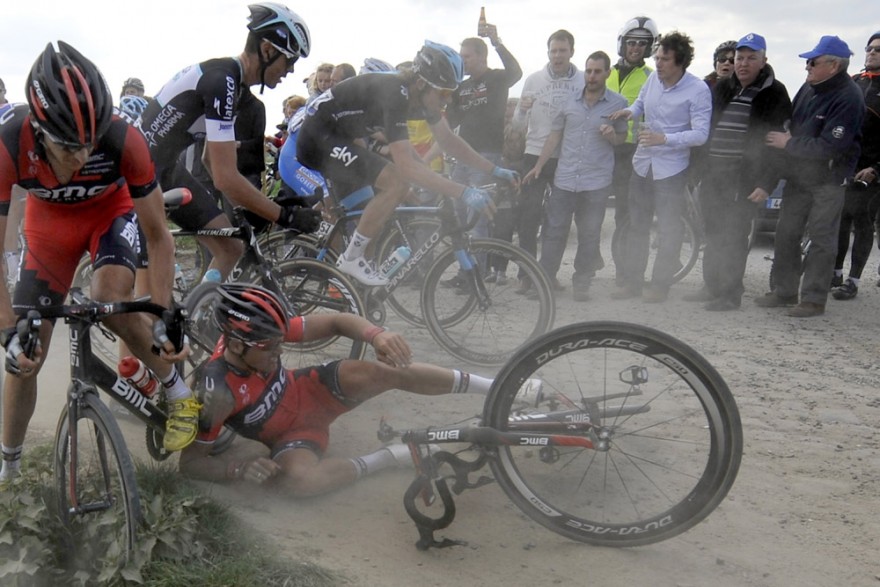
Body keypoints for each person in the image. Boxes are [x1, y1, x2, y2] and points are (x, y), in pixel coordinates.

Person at [0, 42, 195, 486]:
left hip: (111, 213)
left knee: (111, 297)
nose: (82, 158)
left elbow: (159, 236)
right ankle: (8, 470)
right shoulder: (8, 141)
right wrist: (7, 326)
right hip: (49, 230)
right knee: (25, 354)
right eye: (68, 147)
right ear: (38, 127)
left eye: (89, 145)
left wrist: (162, 312)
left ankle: (178, 392)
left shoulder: (124, 136)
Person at [178, 284, 542, 496]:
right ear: (237, 346)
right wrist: (240, 468)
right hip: (294, 437)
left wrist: (376, 335)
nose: (279, 351)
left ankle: (502, 386)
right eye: (270, 349)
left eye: (279, 342)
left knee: (388, 370)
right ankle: (386, 458)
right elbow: (191, 463)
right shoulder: (215, 390)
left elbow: (338, 321)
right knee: (298, 484)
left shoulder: (260, 333)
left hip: (312, 390)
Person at [296, 40, 518, 287]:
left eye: (451, 94)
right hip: (317, 141)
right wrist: (463, 191)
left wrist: (493, 169)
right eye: (443, 93)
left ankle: (357, 296)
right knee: (397, 182)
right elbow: (406, 167)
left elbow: (448, 140)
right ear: (422, 83)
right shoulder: (396, 93)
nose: (447, 100)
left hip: (343, 139)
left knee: (372, 221)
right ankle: (351, 258)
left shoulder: (422, 97)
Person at [137, 2, 321, 281]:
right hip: (134, 174)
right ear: (268, 50)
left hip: (165, 171)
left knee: (230, 247)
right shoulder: (222, 82)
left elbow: (210, 159)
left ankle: (199, 317)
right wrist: (283, 215)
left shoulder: (235, 86)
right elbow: (225, 177)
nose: (290, 71)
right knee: (152, 269)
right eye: (290, 60)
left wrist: (246, 207)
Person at [758, 35, 865, 317]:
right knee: (786, 233)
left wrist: (789, 144)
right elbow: (792, 124)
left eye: (813, 61)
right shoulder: (808, 87)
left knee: (821, 239)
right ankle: (784, 291)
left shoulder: (849, 97)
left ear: (834, 65)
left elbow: (832, 146)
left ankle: (814, 299)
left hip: (828, 181)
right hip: (799, 176)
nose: (807, 66)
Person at [684, 33, 791, 311]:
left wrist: (766, 183)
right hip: (714, 175)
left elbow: (777, 145)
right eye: (739, 58)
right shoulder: (723, 88)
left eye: (750, 58)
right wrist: (696, 171)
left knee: (733, 235)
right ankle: (711, 285)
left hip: (743, 178)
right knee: (713, 231)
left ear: (763, 60)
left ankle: (730, 294)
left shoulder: (774, 92)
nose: (743, 64)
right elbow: (706, 130)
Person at [609, 31, 712, 303]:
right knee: (637, 226)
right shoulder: (653, 79)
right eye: (657, 57)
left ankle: (660, 286)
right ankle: (633, 283)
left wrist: (664, 139)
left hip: (671, 170)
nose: (658, 63)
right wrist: (628, 112)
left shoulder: (698, 89)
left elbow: (701, 134)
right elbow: (641, 103)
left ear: (681, 61)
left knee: (669, 230)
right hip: (642, 164)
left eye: (665, 59)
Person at [523, 51, 627, 301]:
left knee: (589, 234)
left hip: (596, 182)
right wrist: (538, 165)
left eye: (597, 71)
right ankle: (545, 281)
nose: (592, 76)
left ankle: (582, 283)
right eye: (589, 71)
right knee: (554, 231)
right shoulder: (568, 102)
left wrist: (612, 136)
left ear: (607, 73)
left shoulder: (618, 103)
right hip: (565, 179)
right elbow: (554, 136)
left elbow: (622, 138)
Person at [445, 25, 523, 283]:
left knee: (475, 217)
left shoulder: (497, 78)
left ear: (481, 56)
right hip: (462, 158)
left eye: (466, 56)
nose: (463, 61)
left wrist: (496, 41)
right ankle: (467, 268)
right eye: (461, 56)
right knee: (458, 215)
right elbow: (450, 117)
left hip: (487, 157)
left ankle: (476, 274)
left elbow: (517, 72)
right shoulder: (461, 87)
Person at [511, 29, 585, 294]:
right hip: (534, 154)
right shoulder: (533, 80)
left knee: (559, 219)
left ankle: (548, 274)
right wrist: (522, 109)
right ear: (548, 52)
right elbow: (518, 125)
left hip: (567, 157)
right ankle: (525, 275)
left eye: (562, 50)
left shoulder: (582, 81)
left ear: (571, 52)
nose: (557, 56)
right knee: (528, 217)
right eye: (553, 50)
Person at [607, 16, 659, 286]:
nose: (636, 47)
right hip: (604, 151)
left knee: (629, 216)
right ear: (622, 44)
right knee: (593, 214)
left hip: (632, 154)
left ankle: (629, 275)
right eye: (631, 42)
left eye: (643, 43)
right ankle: (611, 269)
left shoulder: (651, 77)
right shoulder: (607, 73)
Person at [830, 32, 880, 301]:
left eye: (878, 50)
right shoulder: (854, 82)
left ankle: (853, 280)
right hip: (846, 166)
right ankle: (835, 273)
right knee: (840, 222)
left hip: (871, 171)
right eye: (869, 49)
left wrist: (876, 168)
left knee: (862, 223)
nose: (872, 53)